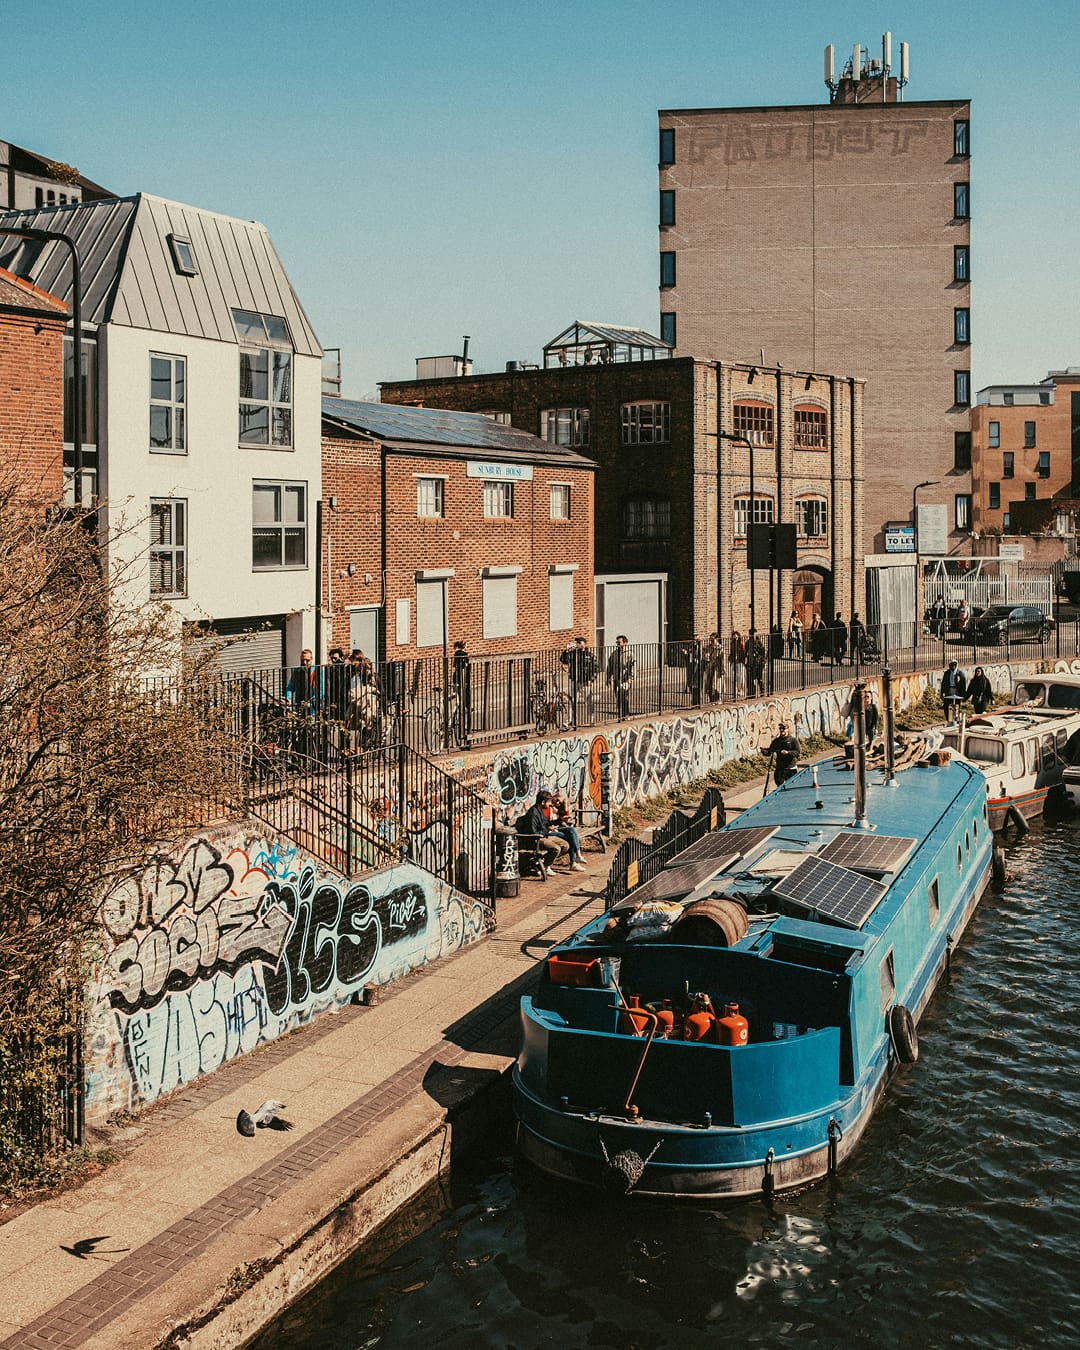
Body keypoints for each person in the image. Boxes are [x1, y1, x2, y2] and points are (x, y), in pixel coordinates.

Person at [517, 790, 570, 873]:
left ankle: (541, 864)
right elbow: (533, 832)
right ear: (543, 802)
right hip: (535, 840)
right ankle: (545, 866)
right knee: (556, 849)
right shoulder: (533, 813)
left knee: (565, 845)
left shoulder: (540, 810)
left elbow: (546, 823)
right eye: (548, 802)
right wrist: (547, 830)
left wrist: (560, 820)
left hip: (544, 835)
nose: (550, 804)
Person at [560, 635, 598, 724]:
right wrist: (566, 651)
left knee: (588, 700)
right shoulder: (573, 653)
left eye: (579, 642)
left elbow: (595, 668)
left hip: (585, 681)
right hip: (575, 680)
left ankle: (591, 719)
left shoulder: (589, 655)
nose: (578, 644)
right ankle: (570, 719)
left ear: (584, 644)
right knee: (572, 700)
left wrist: (591, 679)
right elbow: (564, 660)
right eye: (577, 642)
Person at [546, 792, 586, 872]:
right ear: (553, 797)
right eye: (556, 800)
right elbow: (545, 823)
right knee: (570, 837)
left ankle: (576, 858)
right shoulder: (547, 807)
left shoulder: (558, 809)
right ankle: (574, 861)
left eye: (560, 802)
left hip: (557, 828)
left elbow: (565, 820)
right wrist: (552, 826)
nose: (557, 802)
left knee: (571, 831)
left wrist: (565, 804)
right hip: (549, 830)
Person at [762, 720, 802, 785]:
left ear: (788, 729)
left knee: (791, 787)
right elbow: (770, 752)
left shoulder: (793, 740)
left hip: (791, 768)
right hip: (780, 769)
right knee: (780, 788)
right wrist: (764, 751)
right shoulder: (776, 741)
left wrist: (788, 752)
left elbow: (797, 752)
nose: (782, 730)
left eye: (784, 728)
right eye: (780, 728)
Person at [606, 635, 635, 720]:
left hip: (625, 679)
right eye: (617, 642)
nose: (617, 644)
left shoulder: (630, 654)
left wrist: (630, 678)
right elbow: (610, 666)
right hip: (616, 679)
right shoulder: (614, 654)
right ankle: (620, 713)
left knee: (624, 696)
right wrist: (608, 677)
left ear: (625, 643)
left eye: (619, 642)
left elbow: (633, 667)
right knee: (618, 696)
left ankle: (626, 714)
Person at [452, 639, 471, 742]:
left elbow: (454, 665)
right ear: (464, 646)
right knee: (465, 696)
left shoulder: (455, 654)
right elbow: (467, 665)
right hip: (463, 678)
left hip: (455, 677)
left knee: (457, 694)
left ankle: (459, 705)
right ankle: (464, 709)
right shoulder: (465, 654)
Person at [941, 659, 967, 723]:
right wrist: (942, 693)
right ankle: (949, 719)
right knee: (947, 706)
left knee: (956, 706)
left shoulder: (960, 673)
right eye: (952, 665)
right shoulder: (947, 673)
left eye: (955, 665)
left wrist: (963, 695)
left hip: (957, 692)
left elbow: (963, 684)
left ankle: (956, 719)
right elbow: (943, 683)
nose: (953, 666)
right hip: (949, 691)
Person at [685, 636, 704, 705]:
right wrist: (686, 654)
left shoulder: (700, 648)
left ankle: (697, 701)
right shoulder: (691, 647)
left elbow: (700, 657)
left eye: (696, 640)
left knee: (696, 685)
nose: (695, 641)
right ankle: (694, 699)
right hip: (691, 667)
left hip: (697, 668)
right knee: (690, 684)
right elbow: (689, 656)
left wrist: (695, 659)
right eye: (694, 640)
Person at [703, 631, 723, 701]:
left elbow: (721, 658)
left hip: (716, 667)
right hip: (709, 667)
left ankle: (717, 698)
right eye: (710, 639)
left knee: (716, 684)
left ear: (716, 639)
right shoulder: (708, 647)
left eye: (712, 639)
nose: (711, 641)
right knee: (709, 683)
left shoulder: (720, 647)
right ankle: (711, 698)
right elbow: (705, 656)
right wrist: (706, 656)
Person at [747, 629, 766, 696]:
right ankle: (752, 693)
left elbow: (763, 653)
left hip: (758, 663)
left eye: (753, 634)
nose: (751, 635)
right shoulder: (748, 642)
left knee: (759, 678)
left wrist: (763, 662)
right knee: (751, 678)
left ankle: (762, 691)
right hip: (751, 663)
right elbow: (746, 653)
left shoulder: (759, 643)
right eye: (750, 634)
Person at [730, 630, 747, 697]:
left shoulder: (741, 643)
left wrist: (744, 661)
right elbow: (731, 652)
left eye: (736, 636)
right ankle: (736, 690)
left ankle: (741, 690)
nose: (735, 637)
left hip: (740, 662)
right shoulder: (732, 643)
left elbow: (744, 653)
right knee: (733, 677)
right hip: (733, 662)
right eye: (733, 636)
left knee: (741, 677)